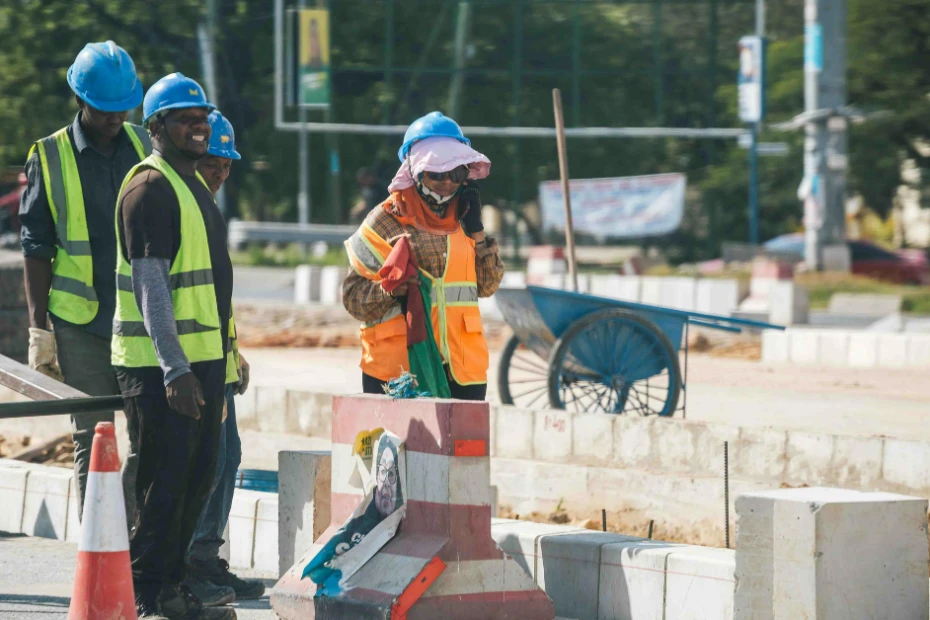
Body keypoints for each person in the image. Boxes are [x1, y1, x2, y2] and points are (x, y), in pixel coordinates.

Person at [112, 73, 235, 620]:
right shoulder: (151, 188)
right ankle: (147, 595)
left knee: (197, 477)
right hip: (163, 367)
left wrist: (223, 366)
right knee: (163, 485)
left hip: (202, 364)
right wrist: (174, 367)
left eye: (202, 116)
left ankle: (174, 587)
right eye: (186, 118)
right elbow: (151, 286)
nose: (199, 125)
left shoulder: (191, 188)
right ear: (157, 127)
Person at [19, 40, 148, 525]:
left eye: (123, 108)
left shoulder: (144, 145)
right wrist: (39, 329)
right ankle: (98, 553)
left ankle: (133, 549)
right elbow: (37, 248)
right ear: (81, 100)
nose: (116, 118)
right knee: (94, 439)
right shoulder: (48, 157)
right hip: (80, 323)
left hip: (138, 317)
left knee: (149, 437)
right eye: (105, 109)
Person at [342, 111, 504, 400]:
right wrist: (389, 290)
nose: (448, 182)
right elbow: (353, 300)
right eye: (437, 172)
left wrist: (477, 231)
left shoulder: (466, 219)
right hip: (397, 374)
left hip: (462, 370)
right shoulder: (383, 222)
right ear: (414, 171)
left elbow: (488, 285)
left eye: (456, 172)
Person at [185, 111, 264, 604]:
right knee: (204, 464)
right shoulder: (183, 206)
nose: (221, 173)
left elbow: (216, 300)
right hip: (188, 365)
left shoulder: (207, 209)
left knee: (227, 457)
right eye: (214, 162)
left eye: (227, 165)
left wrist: (234, 354)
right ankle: (190, 563)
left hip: (216, 360)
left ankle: (204, 559)